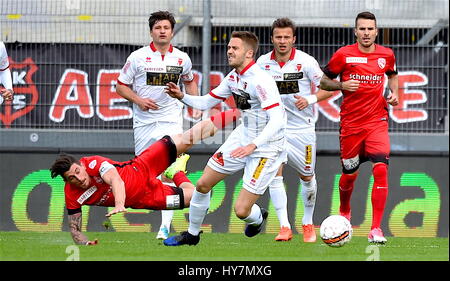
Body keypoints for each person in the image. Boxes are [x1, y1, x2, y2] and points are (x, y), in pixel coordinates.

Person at [163, 31, 287, 246]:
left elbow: (277, 120)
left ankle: (258, 219)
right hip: (242, 138)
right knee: (202, 184)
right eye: (229, 47)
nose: (229, 51)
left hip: (266, 147)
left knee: (241, 211)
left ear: (249, 53)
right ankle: (192, 235)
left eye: (235, 48)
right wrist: (182, 96)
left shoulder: (261, 81)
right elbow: (205, 102)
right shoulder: (233, 77)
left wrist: (253, 145)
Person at [49, 109, 240, 245]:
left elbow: (115, 179)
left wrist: (119, 204)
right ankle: (176, 172)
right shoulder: (71, 195)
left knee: (188, 138)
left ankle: (237, 112)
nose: (79, 178)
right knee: (195, 198)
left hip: (142, 166)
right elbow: (75, 230)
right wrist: (85, 243)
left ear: (81, 165)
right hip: (146, 198)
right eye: (72, 178)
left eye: (77, 171)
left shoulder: (92, 163)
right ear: (66, 182)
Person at [116, 10, 201, 240]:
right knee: (147, 175)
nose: (162, 31)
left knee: (167, 170)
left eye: (166, 28)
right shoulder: (137, 57)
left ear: (172, 32)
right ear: (151, 31)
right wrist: (139, 100)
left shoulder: (182, 58)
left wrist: (194, 103)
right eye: (158, 28)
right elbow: (120, 86)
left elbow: (190, 81)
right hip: (144, 122)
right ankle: (168, 211)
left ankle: (164, 227)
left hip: (171, 119)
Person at [320, 11, 399, 244]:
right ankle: (345, 211)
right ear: (355, 31)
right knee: (349, 175)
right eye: (362, 29)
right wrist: (342, 84)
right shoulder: (343, 55)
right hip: (351, 125)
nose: (366, 33)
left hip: (377, 121)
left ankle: (376, 229)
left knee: (381, 170)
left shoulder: (386, 54)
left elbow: (392, 74)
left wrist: (394, 93)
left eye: (370, 29)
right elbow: (323, 81)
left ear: (376, 31)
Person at [257, 18, 333, 242]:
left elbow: (328, 88)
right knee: (274, 174)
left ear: (294, 39)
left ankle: (308, 223)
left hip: (302, 129)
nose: (282, 41)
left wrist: (309, 99)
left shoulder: (306, 62)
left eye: (286, 37)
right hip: (274, 128)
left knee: (307, 176)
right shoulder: (262, 64)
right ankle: (284, 226)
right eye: (278, 37)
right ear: (272, 39)